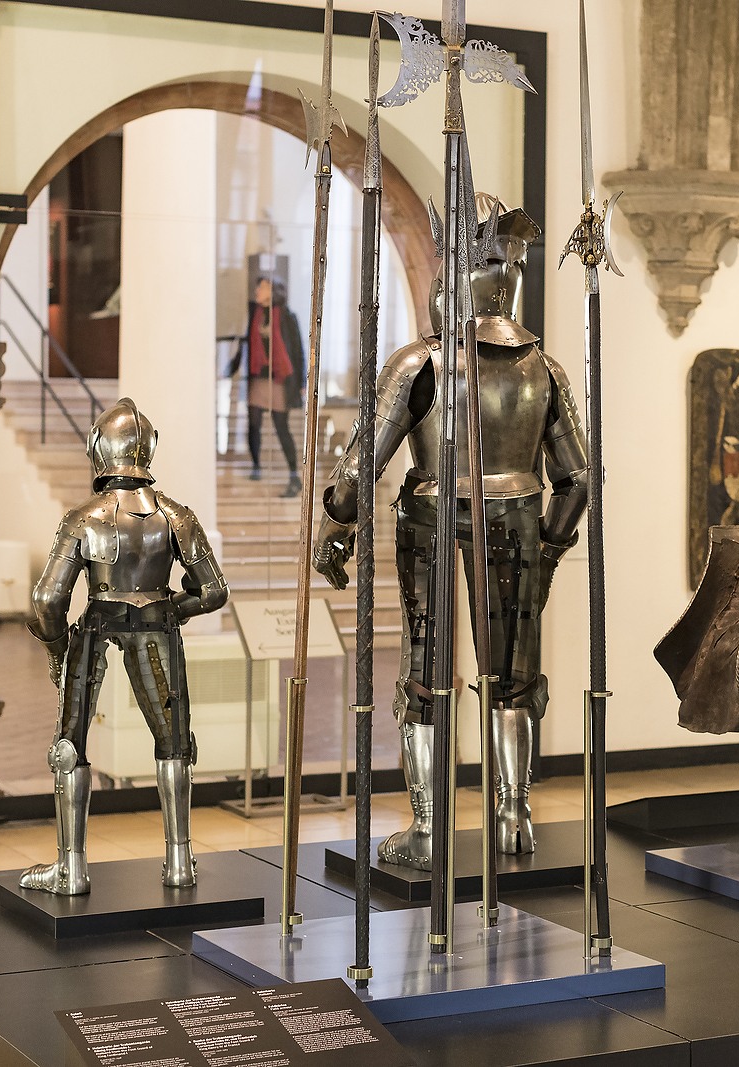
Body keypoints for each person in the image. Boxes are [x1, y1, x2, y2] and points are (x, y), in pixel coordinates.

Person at [310, 202, 590, 869]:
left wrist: (334, 528)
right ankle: (513, 814)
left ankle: (430, 828)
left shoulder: (420, 364)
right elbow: (578, 481)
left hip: (431, 520)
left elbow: (358, 469)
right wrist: (550, 548)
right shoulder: (544, 368)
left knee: (426, 676)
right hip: (518, 519)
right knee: (514, 676)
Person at [20, 399, 229, 895]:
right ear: (147, 449)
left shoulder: (84, 517)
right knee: (174, 744)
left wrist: (56, 647)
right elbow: (213, 591)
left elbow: (47, 599)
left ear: (98, 449)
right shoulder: (175, 516)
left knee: (70, 746)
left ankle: (71, 869)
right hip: (159, 627)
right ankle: (179, 862)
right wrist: (170, 607)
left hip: (96, 625)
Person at [225, 277, 306, 497]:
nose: (257, 290)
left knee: (281, 427)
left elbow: (297, 350)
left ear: (273, 291)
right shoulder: (254, 313)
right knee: (253, 423)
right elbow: (243, 342)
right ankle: (256, 466)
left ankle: (294, 476)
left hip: (279, 380)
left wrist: (301, 382)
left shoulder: (287, 316)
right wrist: (231, 367)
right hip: (257, 378)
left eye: (262, 287)